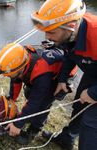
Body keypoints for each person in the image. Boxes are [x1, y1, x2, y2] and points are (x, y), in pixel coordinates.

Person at [30, 0, 97, 149]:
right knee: (80, 106)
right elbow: (69, 55)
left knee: (91, 124)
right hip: (92, 72)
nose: (47, 36)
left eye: (52, 32)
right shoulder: (70, 34)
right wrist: (62, 79)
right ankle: (67, 139)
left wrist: (94, 93)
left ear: (71, 26)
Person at [0, 43, 67, 145]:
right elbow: (16, 80)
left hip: (56, 79)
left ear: (21, 68)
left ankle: (34, 129)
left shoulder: (42, 75)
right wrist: (11, 98)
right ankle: (28, 117)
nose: (8, 77)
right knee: (29, 92)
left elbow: (34, 103)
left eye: (10, 74)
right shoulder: (19, 59)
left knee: (42, 106)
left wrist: (18, 124)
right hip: (40, 76)